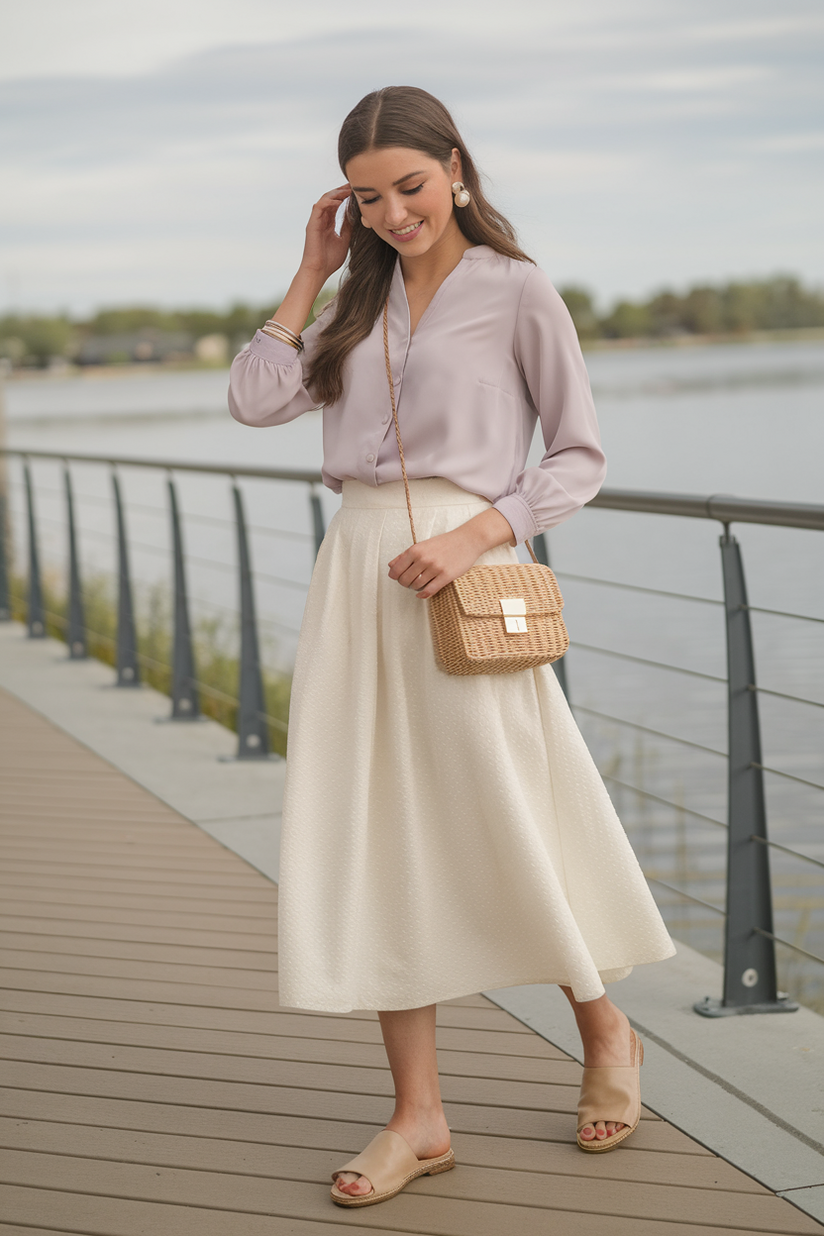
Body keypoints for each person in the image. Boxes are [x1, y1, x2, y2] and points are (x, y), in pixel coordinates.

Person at [229, 85, 675, 1208]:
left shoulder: (518, 293)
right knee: (382, 837)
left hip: (465, 579)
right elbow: (252, 400)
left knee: (507, 813)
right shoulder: (354, 300)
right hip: (358, 579)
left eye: (408, 188)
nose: (390, 214)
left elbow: (574, 456)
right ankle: (417, 1115)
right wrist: (308, 273)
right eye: (368, 198)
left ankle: (602, 1024)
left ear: (456, 167)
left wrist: (482, 529)